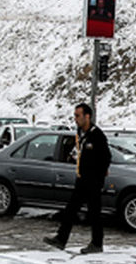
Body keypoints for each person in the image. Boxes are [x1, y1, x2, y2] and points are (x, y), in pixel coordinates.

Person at [45, 103, 111, 254]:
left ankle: (97, 243)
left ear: (87, 116)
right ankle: (61, 239)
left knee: (94, 212)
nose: (75, 119)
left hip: (93, 180)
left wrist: (98, 176)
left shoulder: (97, 135)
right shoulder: (80, 133)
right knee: (71, 209)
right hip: (82, 179)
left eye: (77, 115)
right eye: (74, 115)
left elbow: (106, 158)